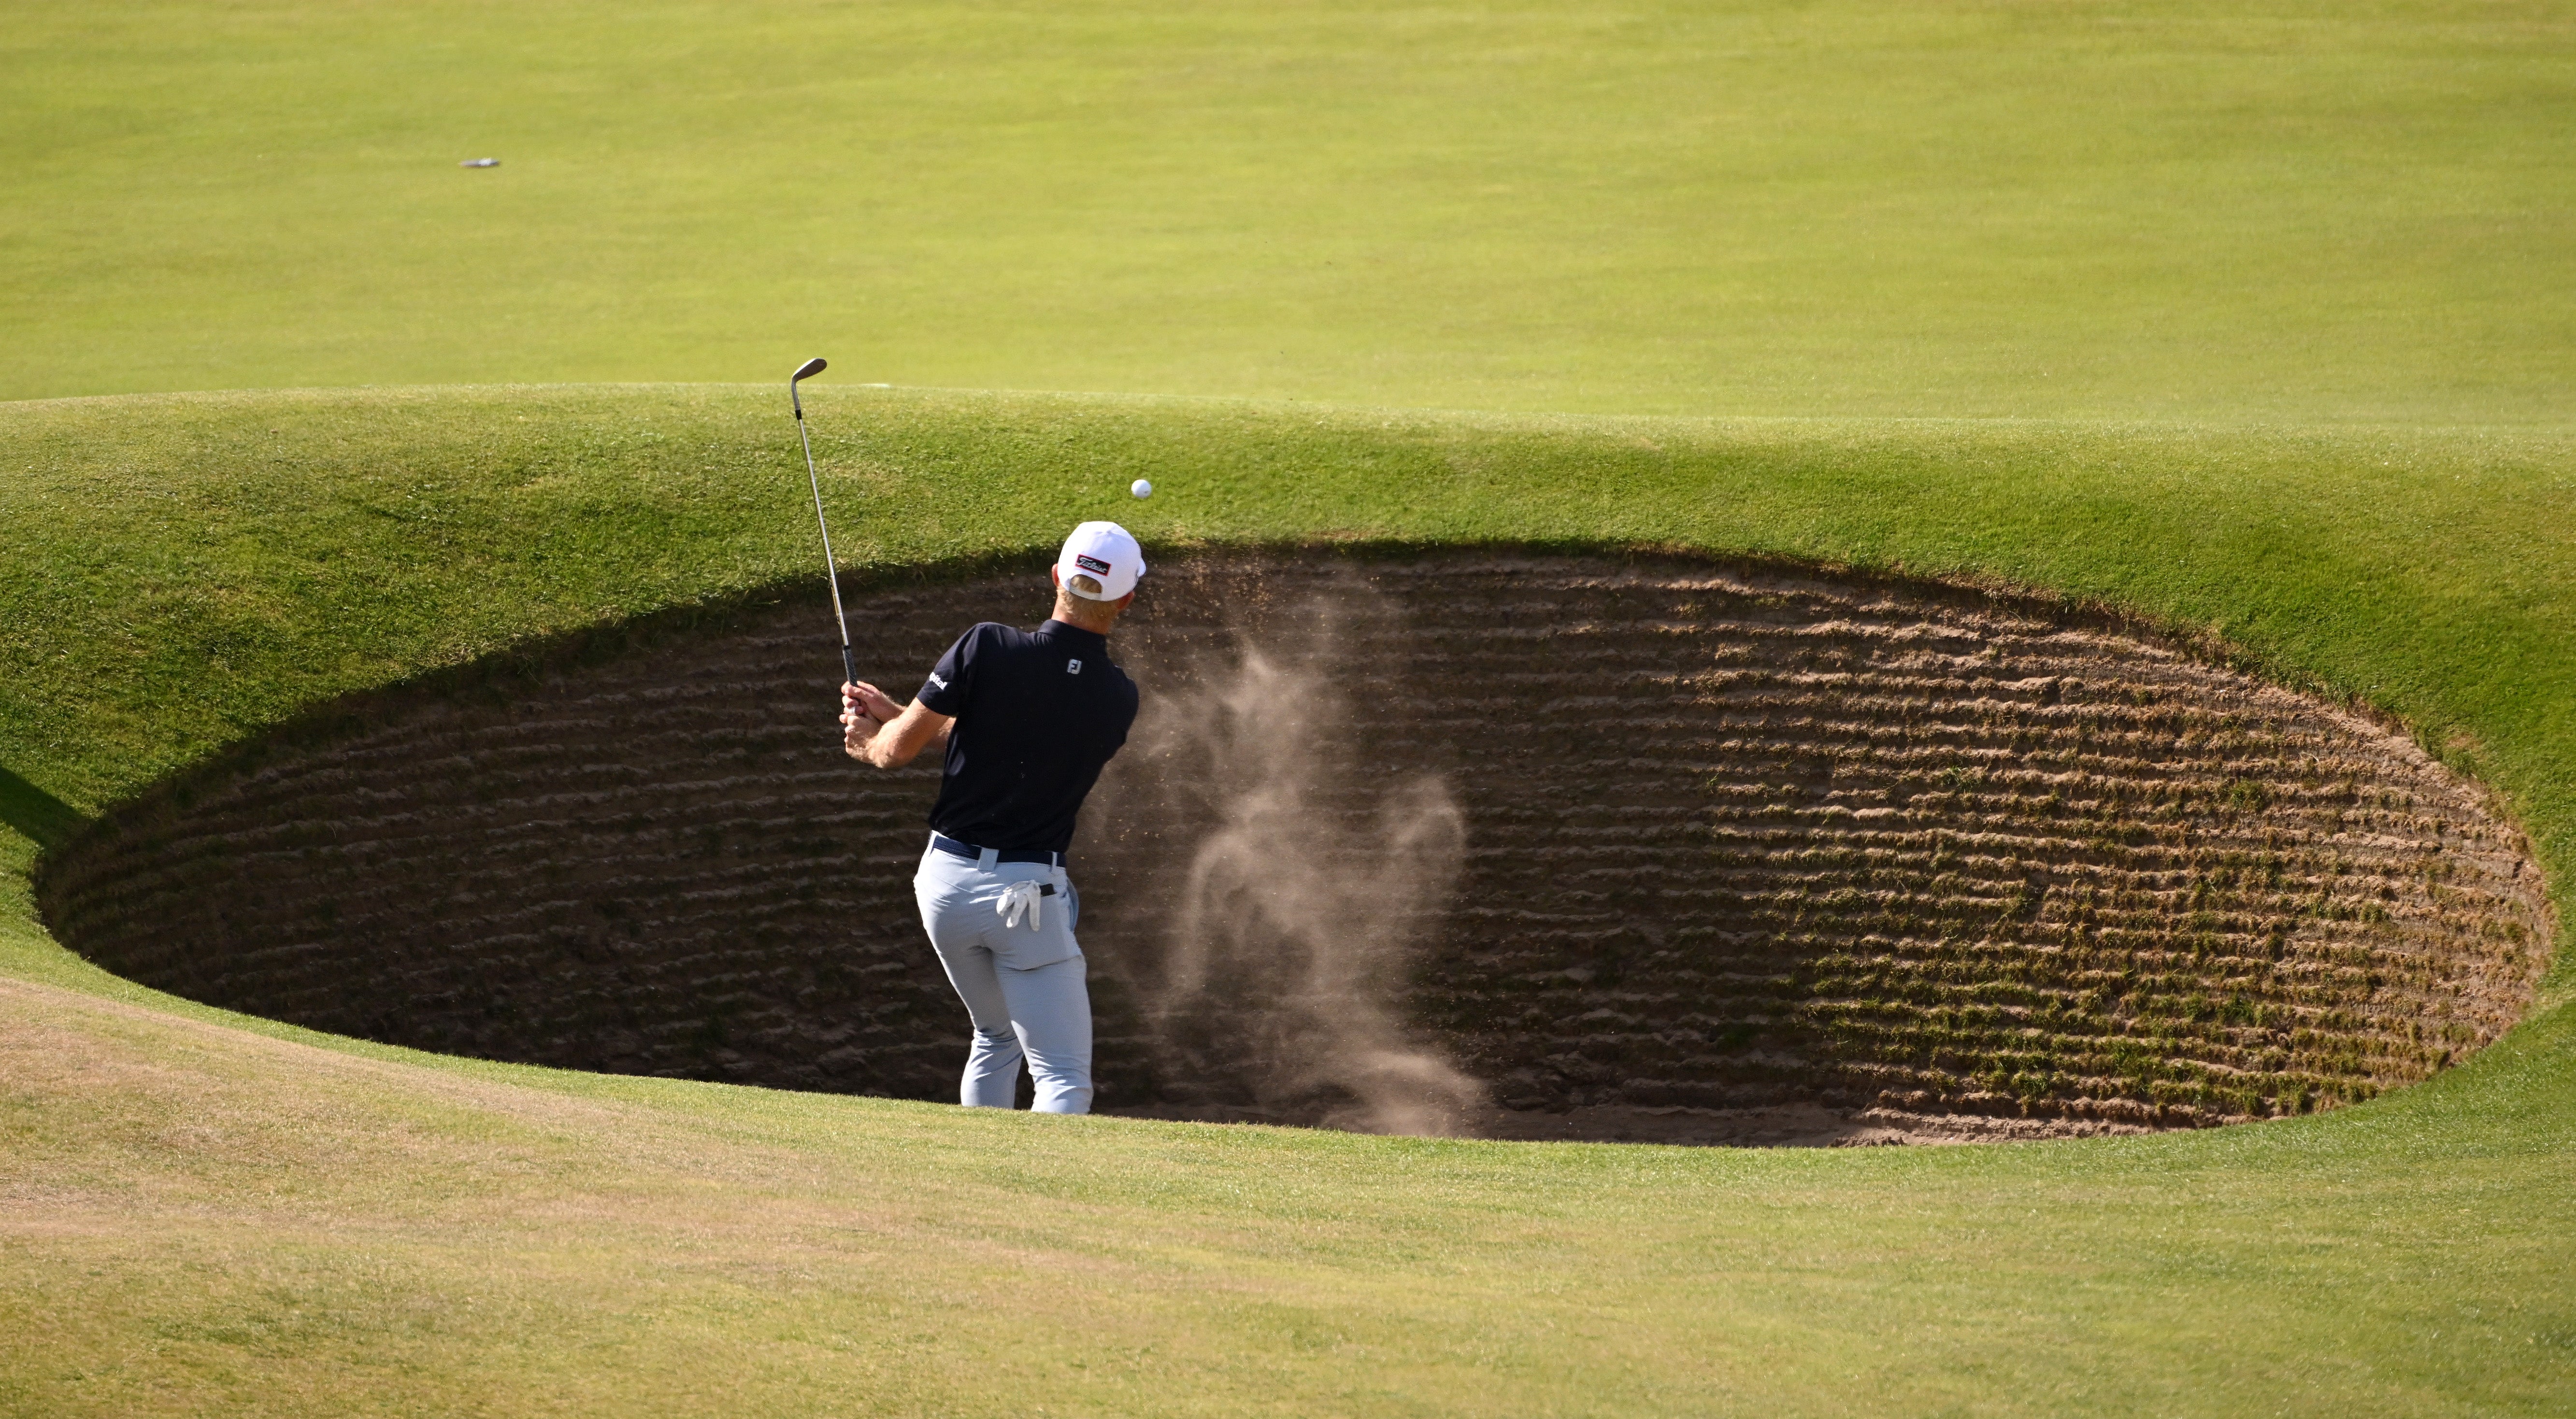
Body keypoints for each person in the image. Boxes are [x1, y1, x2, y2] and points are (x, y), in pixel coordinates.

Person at [839, 522, 1145, 1115]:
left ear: (1057, 577)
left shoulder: (987, 646)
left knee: (996, 1037)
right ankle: (1036, 1206)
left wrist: (875, 736)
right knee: (1060, 1077)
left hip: (945, 889)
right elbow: (1023, 743)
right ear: (1126, 600)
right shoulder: (1117, 696)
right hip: (1026, 899)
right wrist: (903, 721)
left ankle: (981, 1188)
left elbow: (901, 750)